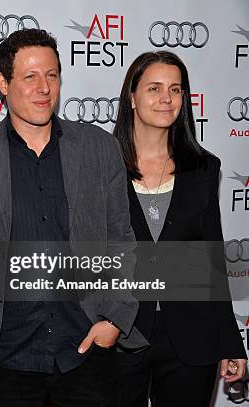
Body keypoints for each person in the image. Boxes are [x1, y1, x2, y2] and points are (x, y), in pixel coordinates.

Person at [0, 28, 146, 407]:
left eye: (51, 75)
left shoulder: (98, 148)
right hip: (4, 358)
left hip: (85, 354)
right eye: (29, 76)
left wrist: (113, 319)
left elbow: (122, 241)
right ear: (3, 82)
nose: (43, 88)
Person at [113, 50, 247, 406]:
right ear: (132, 96)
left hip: (192, 338)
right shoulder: (103, 166)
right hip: (120, 334)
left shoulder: (203, 168)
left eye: (175, 89)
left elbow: (212, 261)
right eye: (154, 88)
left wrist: (232, 342)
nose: (166, 98)